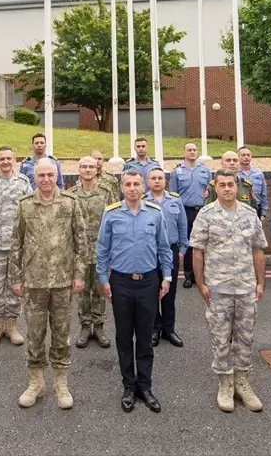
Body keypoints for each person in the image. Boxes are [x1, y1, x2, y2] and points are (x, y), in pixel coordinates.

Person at [10, 158, 88, 410]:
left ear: (57, 176)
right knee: (34, 333)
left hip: (63, 281)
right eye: (41, 175)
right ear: (35, 177)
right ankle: (36, 382)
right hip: (33, 283)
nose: (45, 179)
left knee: (62, 333)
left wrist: (79, 274)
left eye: (49, 175)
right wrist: (16, 278)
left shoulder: (70, 203)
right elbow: (15, 244)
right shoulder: (24, 206)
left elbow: (81, 242)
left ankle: (61, 383)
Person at [190, 169, 268, 414]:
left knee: (245, 337)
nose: (227, 188)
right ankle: (225, 383)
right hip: (218, 288)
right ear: (216, 187)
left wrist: (261, 282)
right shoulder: (206, 214)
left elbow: (258, 250)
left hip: (245, 287)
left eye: (230, 184)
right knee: (221, 338)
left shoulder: (249, 213)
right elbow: (198, 252)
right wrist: (201, 284)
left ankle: (242, 381)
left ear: (237, 186)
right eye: (222, 184)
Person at [96, 171, 173, 413]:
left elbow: (164, 248)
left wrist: (167, 277)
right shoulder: (111, 214)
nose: (132, 188)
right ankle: (129, 385)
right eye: (127, 184)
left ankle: (145, 386)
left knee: (144, 337)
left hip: (148, 282)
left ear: (143, 187)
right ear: (121, 188)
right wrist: (102, 279)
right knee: (123, 336)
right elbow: (102, 250)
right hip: (121, 282)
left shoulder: (155, 213)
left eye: (136, 184)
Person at [0, 146, 33, 346]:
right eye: (1, 158)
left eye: (9, 158)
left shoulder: (23, 182)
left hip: (16, 243)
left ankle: (11, 325)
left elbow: (29, 210)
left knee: (14, 284)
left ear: (14, 160)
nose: (5, 161)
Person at [64, 155, 113, 348]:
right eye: (83, 167)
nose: (87, 170)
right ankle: (85, 325)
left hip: (101, 250)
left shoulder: (106, 192)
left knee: (100, 290)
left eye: (91, 167)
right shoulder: (71, 194)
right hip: (79, 252)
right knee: (82, 291)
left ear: (97, 169)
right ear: (79, 170)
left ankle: (99, 326)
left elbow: (113, 220)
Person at [145, 166, 187, 347]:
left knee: (170, 292)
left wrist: (182, 249)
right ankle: (155, 327)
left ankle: (169, 329)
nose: (157, 181)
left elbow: (182, 225)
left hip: (170, 250)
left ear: (165, 180)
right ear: (148, 181)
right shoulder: (142, 201)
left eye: (160, 178)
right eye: (153, 178)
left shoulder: (175, 200)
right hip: (150, 252)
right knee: (152, 290)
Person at [169, 142, 212, 288]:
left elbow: (210, 191)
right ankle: (188, 275)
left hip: (203, 210)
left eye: (194, 149)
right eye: (189, 150)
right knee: (187, 242)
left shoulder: (205, 171)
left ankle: (203, 275)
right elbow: (173, 194)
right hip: (185, 211)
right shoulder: (177, 172)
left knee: (204, 242)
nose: (192, 152)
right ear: (184, 152)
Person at [236, 146, 268, 218]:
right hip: (239, 208)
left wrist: (263, 212)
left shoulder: (258, 173)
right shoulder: (234, 173)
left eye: (248, 155)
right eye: (243, 155)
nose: (246, 157)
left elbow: (264, 194)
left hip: (256, 208)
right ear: (238, 157)